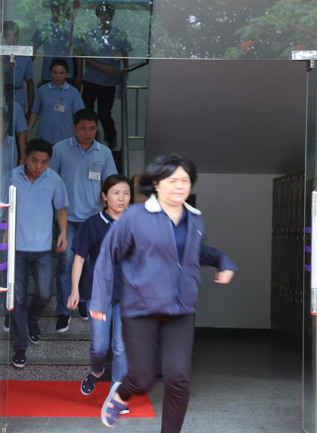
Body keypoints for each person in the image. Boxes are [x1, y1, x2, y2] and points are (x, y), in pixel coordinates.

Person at [89, 153, 237, 432]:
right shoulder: (135, 217)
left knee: (179, 378)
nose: (179, 186)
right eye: (172, 180)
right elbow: (108, 254)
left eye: (185, 180)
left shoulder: (195, 220)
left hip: (180, 309)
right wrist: (100, 299)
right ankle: (120, 395)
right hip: (140, 308)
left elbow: (196, 252)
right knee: (142, 378)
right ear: (156, 183)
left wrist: (223, 262)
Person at [49, 108, 117, 332]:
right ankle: (63, 310)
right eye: (83, 128)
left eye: (92, 128)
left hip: (93, 219)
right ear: (74, 127)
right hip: (67, 218)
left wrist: (107, 212)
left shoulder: (104, 152)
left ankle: (84, 301)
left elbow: (110, 184)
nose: (87, 133)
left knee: (90, 263)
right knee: (66, 262)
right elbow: (50, 180)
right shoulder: (60, 149)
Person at [5, 138, 69, 368]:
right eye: (34, 160)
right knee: (17, 298)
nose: (39, 166)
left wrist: (63, 232)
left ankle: (32, 319)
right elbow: (5, 208)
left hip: (42, 248)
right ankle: (20, 346)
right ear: (25, 157)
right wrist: (5, 235)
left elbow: (61, 207)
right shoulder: (12, 177)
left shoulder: (54, 180)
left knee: (44, 293)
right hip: (17, 247)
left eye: (44, 162)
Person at [67, 174, 130, 395]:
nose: (121, 198)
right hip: (98, 293)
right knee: (99, 347)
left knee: (121, 347)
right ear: (104, 196)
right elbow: (79, 258)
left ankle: (116, 396)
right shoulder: (92, 224)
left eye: (126, 193)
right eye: (116, 193)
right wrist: (74, 290)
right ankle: (97, 370)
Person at [78, 1, 132, 149]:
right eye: (100, 16)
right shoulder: (91, 35)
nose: (103, 19)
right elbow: (87, 58)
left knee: (104, 113)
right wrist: (104, 68)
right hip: (91, 80)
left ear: (111, 17)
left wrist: (125, 71)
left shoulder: (119, 34)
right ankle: (91, 137)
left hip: (108, 83)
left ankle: (111, 138)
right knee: (86, 113)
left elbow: (125, 53)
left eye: (106, 16)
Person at [28, 58, 85, 146]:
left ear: (67, 73)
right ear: (50, 72)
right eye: (55, 72)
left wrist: (82, 136)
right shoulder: (42, 90)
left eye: (61, 73)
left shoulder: (73, 92)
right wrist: (28, 133)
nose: (58, 76)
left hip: (65, 140)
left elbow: (81, 116)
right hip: (44, 138)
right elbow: (34, 113)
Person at [31, 0, 80, 87]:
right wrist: (23, 69)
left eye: (60, 8)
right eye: (55, 7)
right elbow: (33, 51)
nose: (58, 10)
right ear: (51, 9)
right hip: (48, 75)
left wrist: (79, 75)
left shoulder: (72, 28)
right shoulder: (43, 27)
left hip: (67, 75)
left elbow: (78, 53)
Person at [2, 21, 35, 117]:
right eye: (7, 36)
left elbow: (30, 83)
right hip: (1, 95)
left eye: (13, 36)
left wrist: (30, 109)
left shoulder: (24, 57)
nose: (10, 39)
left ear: (17, 38)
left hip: (19, 97)